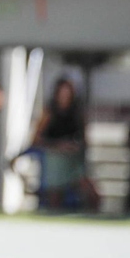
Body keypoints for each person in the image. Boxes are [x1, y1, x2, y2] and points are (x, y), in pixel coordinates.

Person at [28, 78, 93, 210]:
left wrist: (75, 147)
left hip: (73, 160)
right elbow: (35, 140)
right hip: (53, 159)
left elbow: (84, 138)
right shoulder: (49, 112)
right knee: (54, 199)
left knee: (91, 194)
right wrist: (58, 145)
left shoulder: (76, 113)